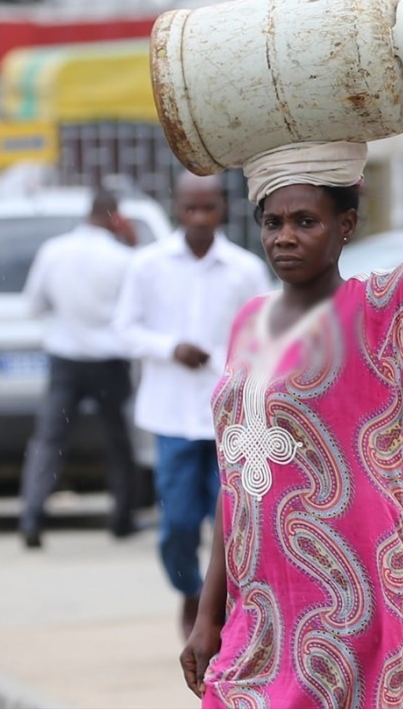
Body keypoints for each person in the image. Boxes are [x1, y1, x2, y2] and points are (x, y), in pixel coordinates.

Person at [179, 55, 403, 709]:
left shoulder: (377, 313)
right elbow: (238, 480)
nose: (285, 237)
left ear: (346, 225)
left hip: (358, 609)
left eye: (306, 221)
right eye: (273, 222)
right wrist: (209, 613)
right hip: (260, 617)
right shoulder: (249, 322)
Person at [113, 171, 272, 639]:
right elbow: (124, 328)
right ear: (176, 208)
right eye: (191, 208)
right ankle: (190, 592)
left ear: (222, 208)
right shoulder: (148, 265)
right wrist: (170, 348)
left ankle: (220, 609)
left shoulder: (245, 269)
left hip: (232, 421)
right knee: (179, 524)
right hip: (172, 417)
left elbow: (265, 335)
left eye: (208, 207)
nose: (200, 217)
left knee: (236, 523)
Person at [19, 190, 138, 549]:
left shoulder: (53, 251)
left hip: (66, 359)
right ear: (115, 216)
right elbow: (134, 312)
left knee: (50, 439)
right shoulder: (123, 258)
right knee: (117, 440)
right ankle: (122, 519)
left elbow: (33, 305)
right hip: (109, 362)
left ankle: (31, 515)